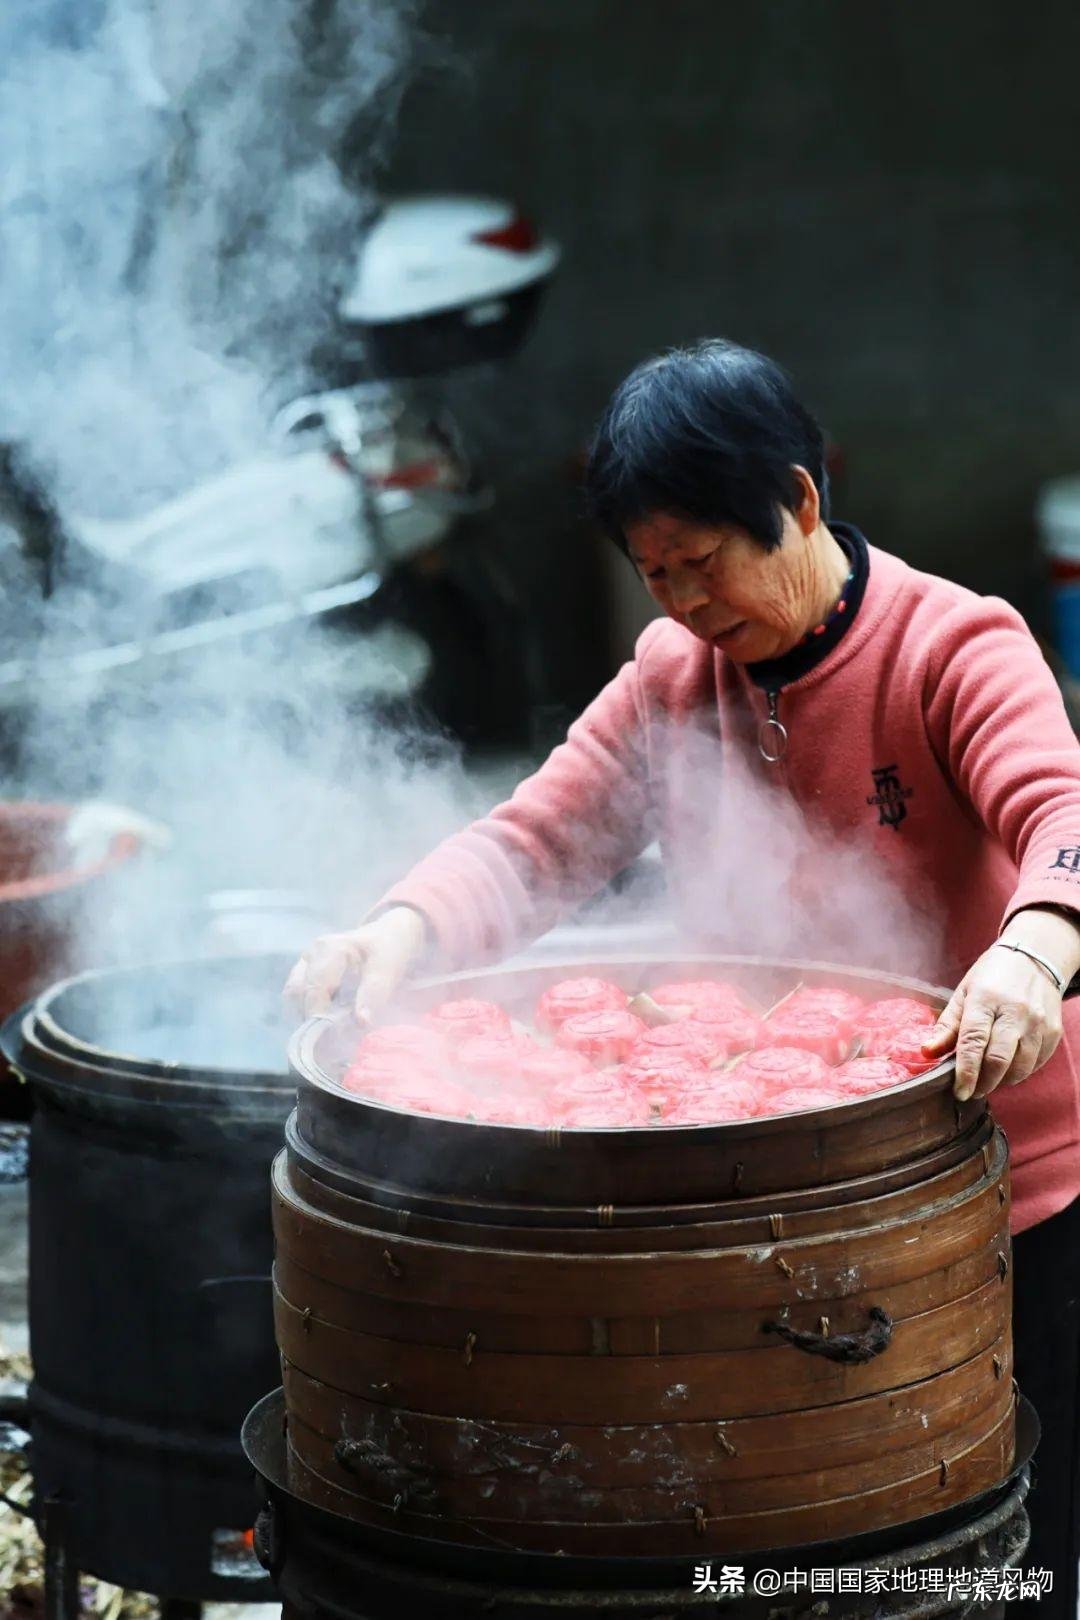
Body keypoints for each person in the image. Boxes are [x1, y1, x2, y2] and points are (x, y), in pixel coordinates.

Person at [286, 339, 1080, 1613]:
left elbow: (1064, 813)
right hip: (748, 1201)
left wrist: (1034, 952)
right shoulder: (672, 678)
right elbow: (537, 839)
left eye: (703, 562)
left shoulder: (954, 645)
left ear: (800, 500)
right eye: (652, 574)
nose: (682, 603)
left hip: (993, 1192)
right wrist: (401, 933)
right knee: (782, 1533)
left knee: (1005, 1540)